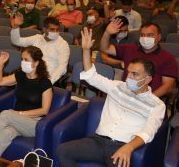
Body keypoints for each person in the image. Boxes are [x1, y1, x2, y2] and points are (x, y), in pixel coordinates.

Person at [57, 27, 165, 167]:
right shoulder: (117, 87)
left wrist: (129, 148)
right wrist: (86, 50)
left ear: (148, 79)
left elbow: (148, 132)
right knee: (63, 151)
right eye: (129, 72)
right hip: (97, 141)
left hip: (121, 146)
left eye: (135, 74)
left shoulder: (157, 105)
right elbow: (91, 76)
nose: (129, 77)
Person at [0, 46, 53, 157]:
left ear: (36, 63)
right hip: (16, 120)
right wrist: (0, 64)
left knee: (6, 114)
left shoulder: (45, 83)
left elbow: (44, 110)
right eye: (22, 59)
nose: (23, 62)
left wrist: (19, 114)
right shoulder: (20, 75)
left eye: (26, 60)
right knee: (6, 132)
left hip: (34, 123)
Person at [100, 19, 177, 97]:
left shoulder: (168, 58)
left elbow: (168, 86)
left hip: (149, 98)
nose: (145, 38)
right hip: (125, 94)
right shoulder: (129, 48)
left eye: (150, 35)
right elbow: (105, 48)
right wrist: (107, 33)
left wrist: (148, 100)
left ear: (159, 37)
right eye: (142, 35)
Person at [11, 16, 69, 84]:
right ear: (44, 29)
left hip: (47, 76)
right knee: (15, 77)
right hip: (30, 71)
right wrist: (16, 27)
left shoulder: (63, 44)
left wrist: (49, 81)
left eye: (57, 29)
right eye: (52, 29)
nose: (55, 32)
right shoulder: (37, 38)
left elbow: (62, 67)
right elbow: (16, 41)